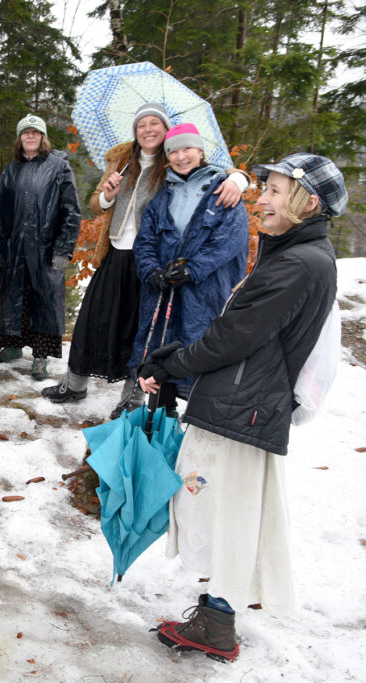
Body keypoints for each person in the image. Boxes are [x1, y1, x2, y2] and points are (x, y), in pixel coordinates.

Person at [138, 153, 345, 662]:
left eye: (275, 191)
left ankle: (217, 625)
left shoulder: (300, 264)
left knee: (223, 513)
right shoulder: (295, 255)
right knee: (222, 509)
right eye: (264, 189)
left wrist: (172, 362)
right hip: (243, 401)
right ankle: (215, 615)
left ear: (307, 203)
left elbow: (235, 335)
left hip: (243, 406)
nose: (262, 200)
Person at [41, 103, 248, 417]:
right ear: (135, 131)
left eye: (155, 124)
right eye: (142, 125)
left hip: (154, 261)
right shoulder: (120, 161)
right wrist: (108, 194)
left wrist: (238, 181)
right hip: (116, 253)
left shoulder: (173, 162)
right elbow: (96, 205)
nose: (148, 130)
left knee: (141, 330)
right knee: (92, 321)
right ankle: (74, 384)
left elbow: (222, 173)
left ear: (166, 132)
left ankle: (133, 397)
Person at [127, 123, 249, 415]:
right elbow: (145, 241)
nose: (181, 157)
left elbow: (229, 241)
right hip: (164, 291)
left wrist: (192, 269)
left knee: (199, 346)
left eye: (187, 149)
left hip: (204, 290)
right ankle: (161, 413)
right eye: (173, 152)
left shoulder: (223, 190)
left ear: (200, 150)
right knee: (161, 347)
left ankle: (199, 419)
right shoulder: (163, 195)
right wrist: (151, 271)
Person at [0, 114, 81, 381]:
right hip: (13, 249)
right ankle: (13, 347)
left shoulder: (59, 167)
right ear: (19, 138)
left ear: (42, 137)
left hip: (45, 250)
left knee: (43, 301)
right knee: (13, 298)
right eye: (25, 132)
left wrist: (63, 248)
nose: (30, 136)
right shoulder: (10, 171)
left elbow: (71, 210)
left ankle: (40, 356)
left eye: (35, 132)